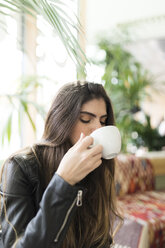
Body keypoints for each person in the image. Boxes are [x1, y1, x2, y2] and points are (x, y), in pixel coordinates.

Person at [0, 81, 121, 248]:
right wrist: (63, 182)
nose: (98, 128)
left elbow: (100, 240)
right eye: (86, 119)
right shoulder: (20, 167)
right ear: (62, 121)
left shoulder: (97, 165)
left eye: (103, 120)